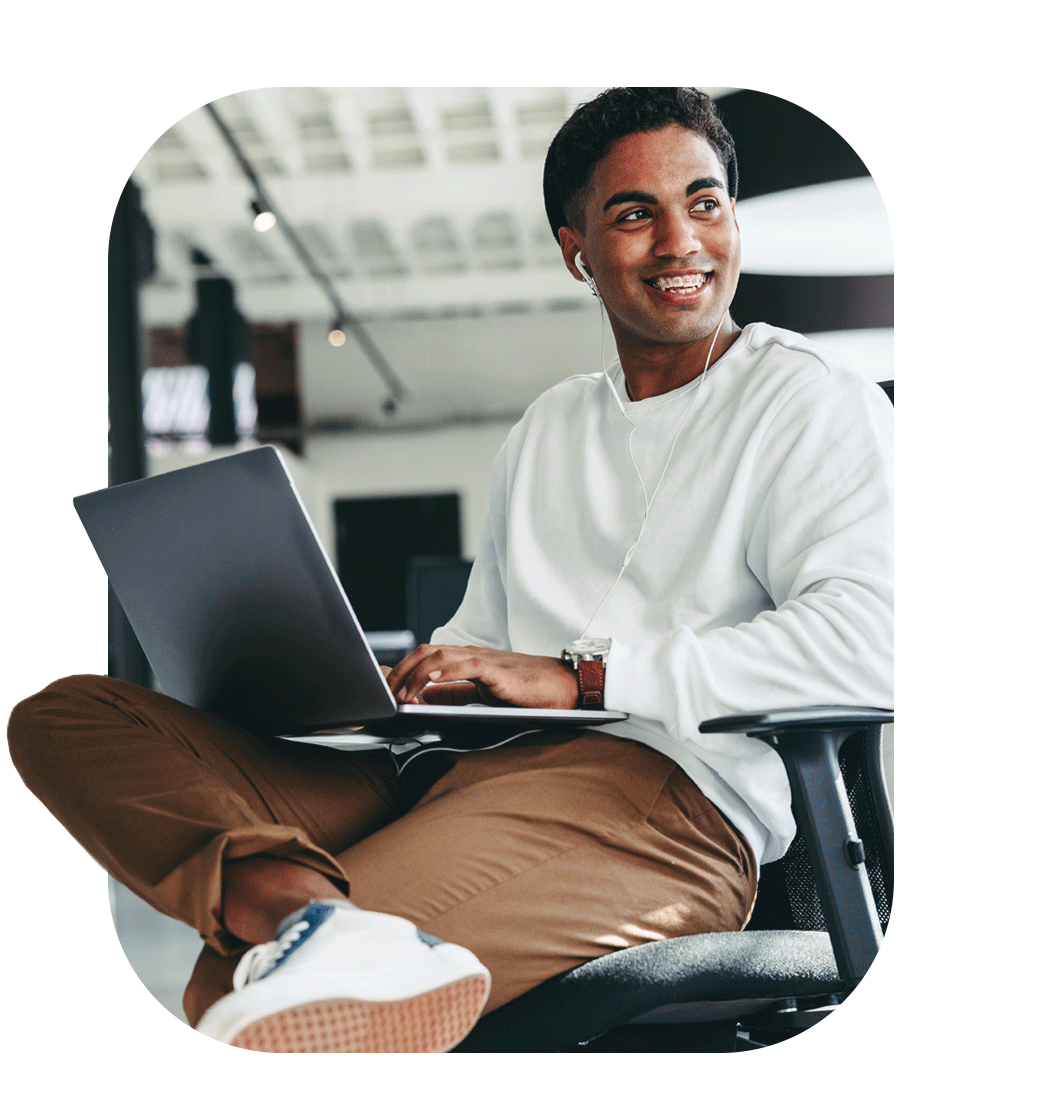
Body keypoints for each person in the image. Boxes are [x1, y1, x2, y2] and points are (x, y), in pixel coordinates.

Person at [7, 87, 892, 1053]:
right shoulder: (553, 426)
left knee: (254, 995)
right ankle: (311, 909)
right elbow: (484, 639)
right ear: (576, 252)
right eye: (635, 213)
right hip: (458, 771)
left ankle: (309, 924)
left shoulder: (811, 403)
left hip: (659, 803)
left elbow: (868, 644)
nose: (682, 240)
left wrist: (584, 677)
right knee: (69, 717)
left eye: (706, 202)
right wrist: (412, 676)